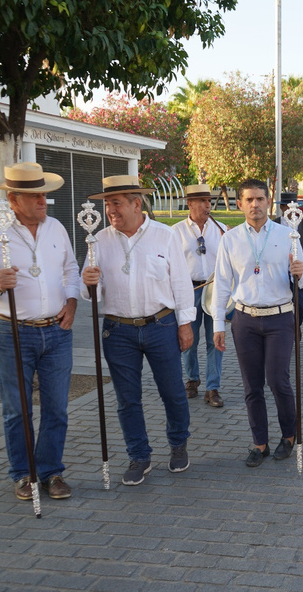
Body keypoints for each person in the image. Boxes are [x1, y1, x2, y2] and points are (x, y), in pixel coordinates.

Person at [0, 162, 79, 501]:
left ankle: (50, 471)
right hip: (13, 331)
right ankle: (23, 474)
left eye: (43, 193)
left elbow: (71, 268)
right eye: (34, 195)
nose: (43, 200)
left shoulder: (56, 228)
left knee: (57, 407)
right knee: (18, 409)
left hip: (57, 331)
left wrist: (71, 302)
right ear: (13, 199)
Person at [81, 175, 195, 486]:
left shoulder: (165, 236)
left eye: (116, 203)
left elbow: (181, 283)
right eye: (107, 205)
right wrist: (89, 282)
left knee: (172, 391)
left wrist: (185, 325)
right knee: (127, 399)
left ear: (136, 203)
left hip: (161, 325)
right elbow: (89, 291)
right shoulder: (98, 240)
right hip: (118, 330)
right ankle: (139, 455)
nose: (110, 210)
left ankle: (178, 444)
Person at [212, 179, 303, 468]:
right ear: (240, 203)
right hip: (245, 320)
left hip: (280, 317)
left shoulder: (287, 234)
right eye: (249, 199)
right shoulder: (230, 240)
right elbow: (222, 284)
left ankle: (289, 436)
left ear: (269, 201)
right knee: (251, 386)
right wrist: (218, 323)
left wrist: (299, 272)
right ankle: (260, 443)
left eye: (260, 199)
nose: (255, 205)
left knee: (278, 380)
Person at [172, 184, 227, 408]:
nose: (207, 205)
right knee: (189, 339)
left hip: (215, 290)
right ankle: (192, 380)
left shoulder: (221, 229)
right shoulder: (175, 232)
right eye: (202, 201)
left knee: (216, 339)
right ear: (190, 203)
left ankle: (212, 388)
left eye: (209, 200)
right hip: (189, 290)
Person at [274, 191, 303, 324]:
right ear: (282, 208)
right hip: (280, 273)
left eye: (294, 207)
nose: (291, 210)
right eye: (287, 207)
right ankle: (287, 330)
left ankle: (295, 326)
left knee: (301, 305)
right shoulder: (274, 224)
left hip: (299, 273)